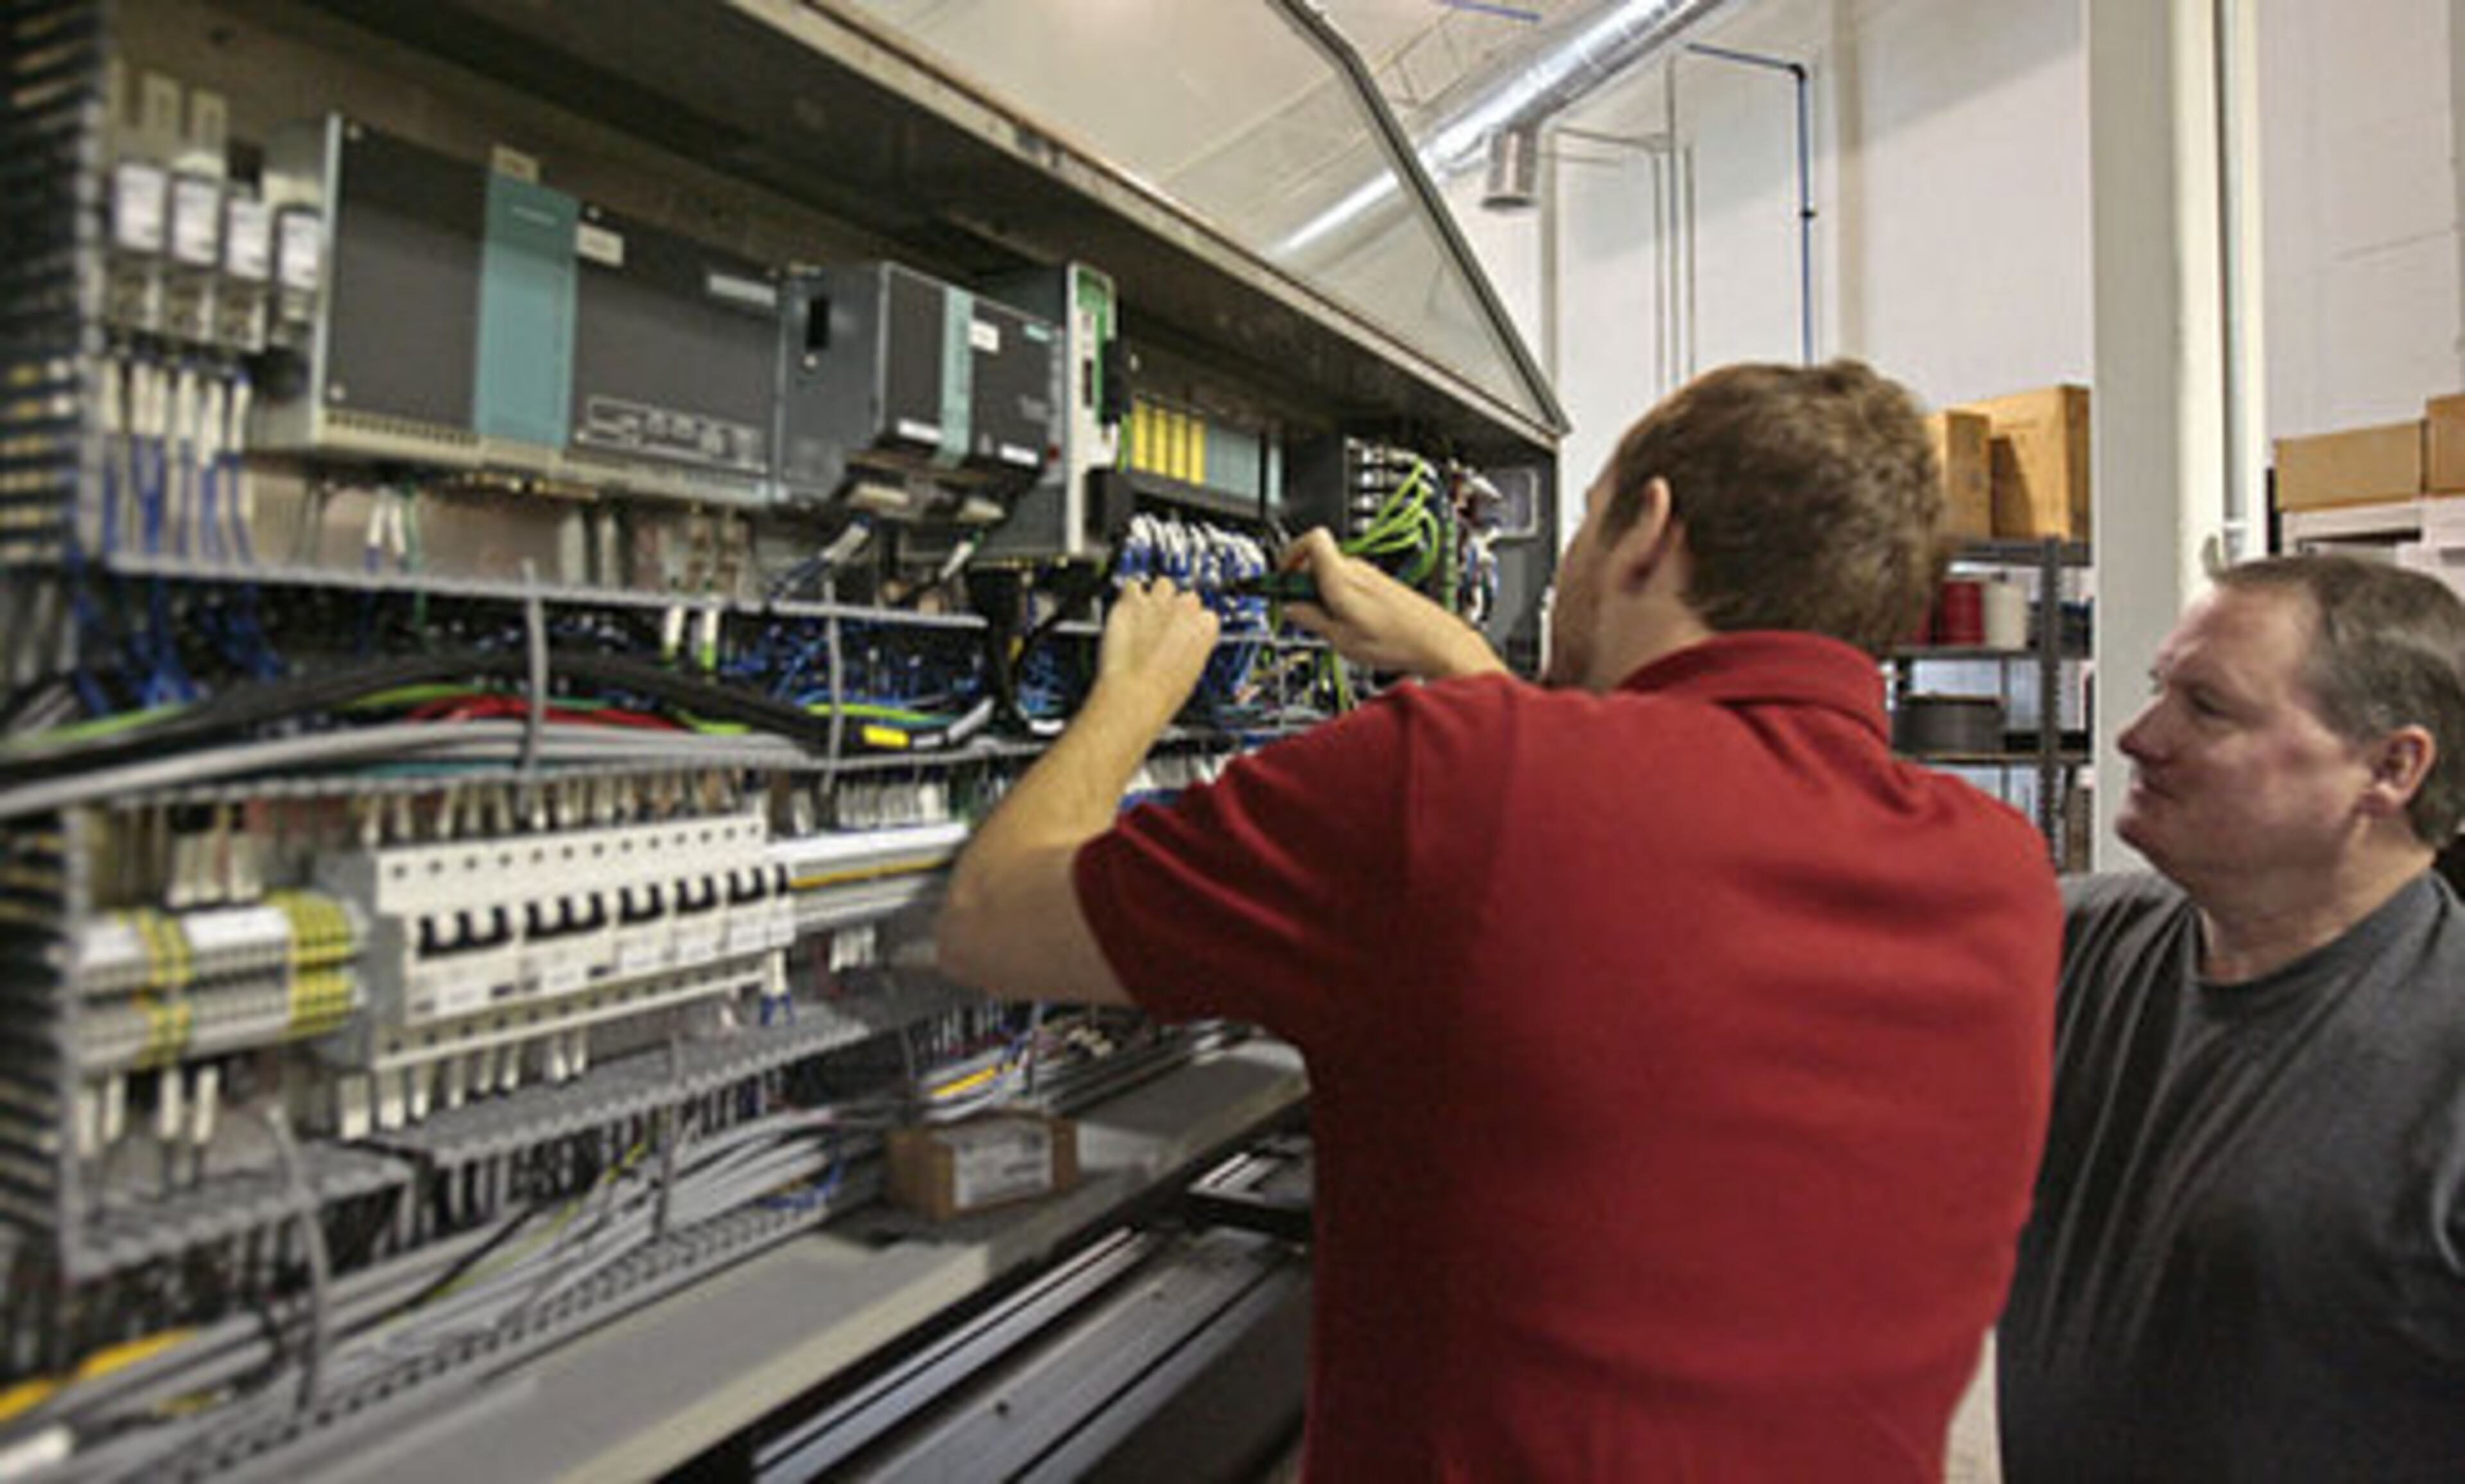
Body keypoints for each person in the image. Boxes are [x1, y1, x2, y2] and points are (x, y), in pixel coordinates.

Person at [937, 360, 2060, 1480]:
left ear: (1647, 534)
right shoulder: (2005, 879)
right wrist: (1459, 663)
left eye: (1582, 523)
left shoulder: (1459, 779)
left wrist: (1135, 693)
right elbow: (1623, 844)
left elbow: (992, 919)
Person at [1997, 554, 2465, 1481]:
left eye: (2206, 708)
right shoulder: (2066, 945)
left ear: (2391, 766)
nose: (2137, 735)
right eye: (2155, 690)